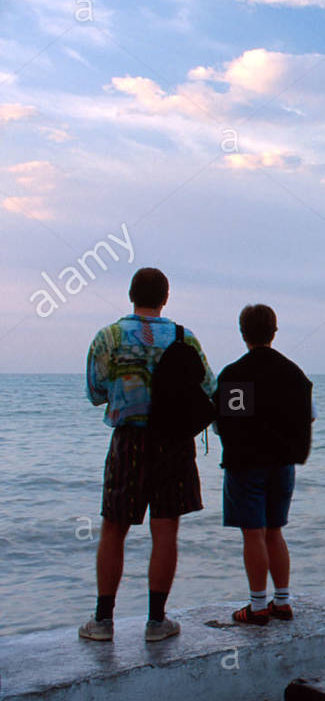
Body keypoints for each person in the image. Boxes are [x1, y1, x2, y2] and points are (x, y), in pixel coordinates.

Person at [81, 267, 216, 642]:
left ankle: (103, 621)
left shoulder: (108, 336)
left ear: (130, 294)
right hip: (173, 443)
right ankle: (157, 622)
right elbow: (209, 386)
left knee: (114, 528)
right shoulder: (183, 338)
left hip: (128, 441)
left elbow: (95, 392)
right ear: (165, 298)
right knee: (165, 530)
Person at [213, 304, 313, 625]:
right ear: (275, 331)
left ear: (243, 333)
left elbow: (225, 423)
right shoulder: (293, 373)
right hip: (283, 464)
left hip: (246, 463)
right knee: (275, 532)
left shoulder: (235, 374)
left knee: (253, 534)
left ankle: (257, 608)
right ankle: (282, 601)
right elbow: (308, 415)